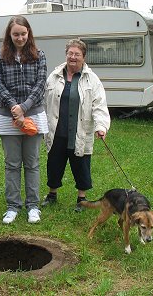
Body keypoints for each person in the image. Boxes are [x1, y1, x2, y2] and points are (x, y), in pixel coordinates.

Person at [0, 15, 48, 224]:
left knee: (32, 164)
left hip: (33, 115)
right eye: (16, 34)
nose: (20, 38)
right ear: (9, 35)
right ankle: (12, 206)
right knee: (12, 164)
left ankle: (33, 206)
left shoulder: (39, 56)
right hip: (8, 117)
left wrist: (23, 107)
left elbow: (41, 84)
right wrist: (14, 108)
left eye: (23, 34)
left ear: (29, 33)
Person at [42, 38, 110, 212]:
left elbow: (99, 105)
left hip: (79, 130)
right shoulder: (55, 76)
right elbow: (44, 101)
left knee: (81, 164)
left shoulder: (92, 80)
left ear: (84, 57)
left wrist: (101, 126)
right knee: (54, 163)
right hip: (57, 130)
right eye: (70, 53)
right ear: (66, 55)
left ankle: (81, 198)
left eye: (77, 54)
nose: (73, 57)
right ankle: (52, 194)